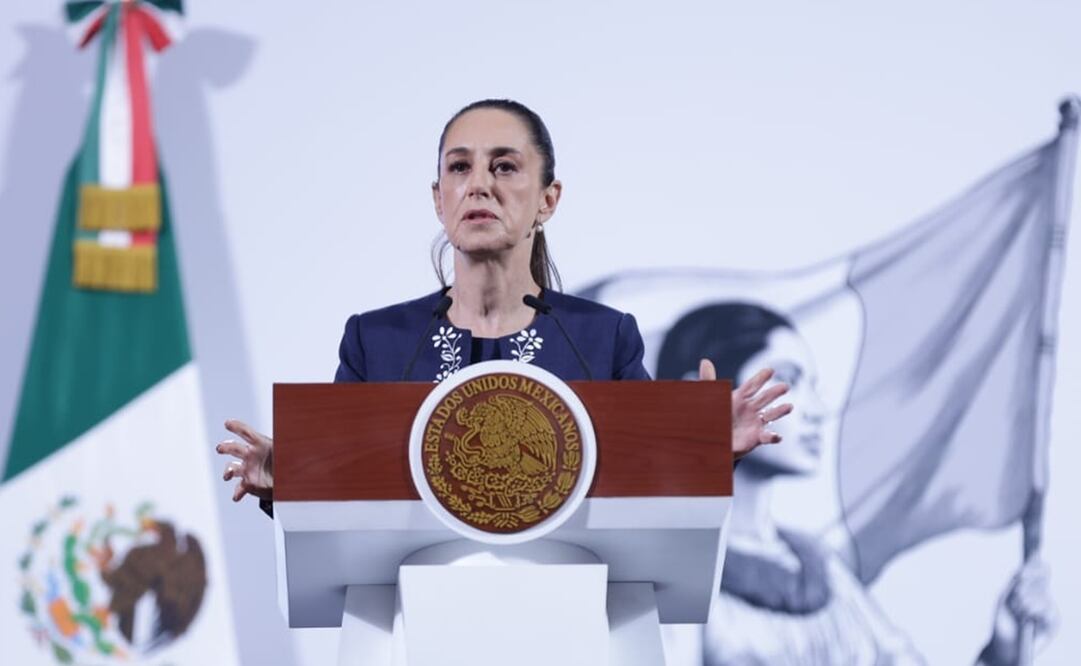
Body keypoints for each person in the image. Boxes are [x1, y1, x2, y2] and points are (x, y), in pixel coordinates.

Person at [216, 99, 792, 507]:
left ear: (548, 200)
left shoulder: (604, 338)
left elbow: (645, 485)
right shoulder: (377, 340)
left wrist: (712, 450)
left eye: (505, 167)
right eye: (459, 167)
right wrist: (287, 478)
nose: (479, 185)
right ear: (439, 199)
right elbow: (343, 490)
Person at [655, 302, 1056, 666]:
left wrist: (1003, 649)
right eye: (789, 381)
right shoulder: (664, 564)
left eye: (813, 386)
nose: (818, 409)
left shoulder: (821, 570)